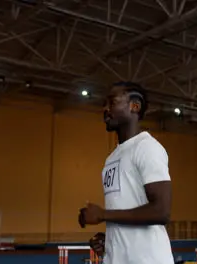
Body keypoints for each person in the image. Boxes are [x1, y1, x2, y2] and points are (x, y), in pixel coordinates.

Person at [78, 81, 174, 264]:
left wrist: (102, 214)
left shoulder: (147, 148)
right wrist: (112, 241)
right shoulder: (111, 158)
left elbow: (161, 211)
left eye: (112, 102)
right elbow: (124, 212)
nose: (105, 109)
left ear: (134, 106)